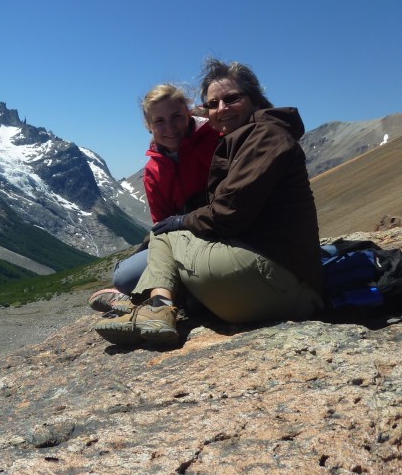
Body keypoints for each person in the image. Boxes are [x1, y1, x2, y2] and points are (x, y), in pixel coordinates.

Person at [95, 58, 323, 346]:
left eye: (232, 99)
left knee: (167, 235)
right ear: (149, 126)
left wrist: (181, 222)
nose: (222, 109)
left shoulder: (251, 136)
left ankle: (155, 306)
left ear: (254, 99)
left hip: (270, 276)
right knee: (146, 254)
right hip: (271, 271)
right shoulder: (245, 134)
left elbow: (227, 214)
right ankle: (157, 299)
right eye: (214, 104)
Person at [88, 83, 219, 313]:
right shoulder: (153, 171)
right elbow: (162, 225)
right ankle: (172, 294)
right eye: (159, 121)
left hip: (220, 226)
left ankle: (147, 299)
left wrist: (207, 111)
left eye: (177, 116)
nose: (169, 128)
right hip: (183, 240)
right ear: (149, 126)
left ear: (189, 113)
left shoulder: (213, 137)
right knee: (123, 276)